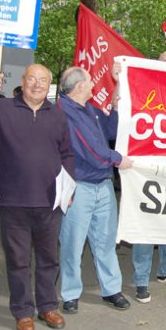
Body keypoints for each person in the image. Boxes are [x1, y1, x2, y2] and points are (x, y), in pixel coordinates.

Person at [0, 65, 74, 330]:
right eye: (32, 79)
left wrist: (70, 186)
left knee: (48, 259)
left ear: (49, 85)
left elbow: (67, 153)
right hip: (14, 202)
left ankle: (47, 306)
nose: (37, 85)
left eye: (43, 80)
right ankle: (22, 312)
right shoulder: (1, 109)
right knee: (18, 261)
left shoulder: (57, 116)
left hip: (50, 203)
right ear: (22, 81)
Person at [117, 51, 166, 303]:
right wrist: (120, 79)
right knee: (146, 223)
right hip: (145, 168)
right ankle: (140, 279)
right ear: (156, 64)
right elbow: (120, 108)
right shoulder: (142, 86)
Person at [58, 66, 133, 313]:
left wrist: (116, 97)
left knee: (105, 241)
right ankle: (70, 293)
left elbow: (111, 130)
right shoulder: (65, 111)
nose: (93, 84)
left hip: (103, 186)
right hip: (79, 188)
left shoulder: (89, 109)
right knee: (72, 243)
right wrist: (117, 158)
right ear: (79, 87)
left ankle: (111, 289)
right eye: (90, 81)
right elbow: (89, 150)